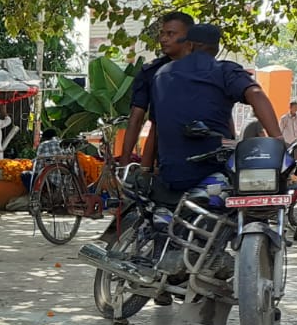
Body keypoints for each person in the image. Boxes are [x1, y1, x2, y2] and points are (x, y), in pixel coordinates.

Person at [147, 24, 282, 205]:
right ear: (216, 49)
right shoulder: (224, 71)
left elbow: (157, 128)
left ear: (189, 45)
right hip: (209, 171)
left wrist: (145, 169)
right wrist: (278, 140)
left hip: (170, 173)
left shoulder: (162, 74)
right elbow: (256, 94)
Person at [120, 11, 196, 167]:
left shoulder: (208, 71)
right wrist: (125, 159)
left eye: (171, 34)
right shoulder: (150, 73)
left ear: (189, 38)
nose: (163, 39)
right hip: (164, 157)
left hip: (206, 153)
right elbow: (136, 118)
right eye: (162, 33)